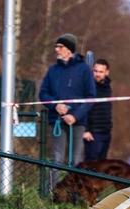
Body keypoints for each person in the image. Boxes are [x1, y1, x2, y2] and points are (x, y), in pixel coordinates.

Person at [39, 33, 95, 197]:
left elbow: (91, 97)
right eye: (56, 46)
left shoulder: (84, 69)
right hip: (56, 120)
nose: (56, 49)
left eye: (60, 47)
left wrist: (75, 116)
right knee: (56, 157)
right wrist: (55, 105)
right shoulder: (52, 70)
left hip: (77, 122)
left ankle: (74, 194)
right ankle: (53, 193)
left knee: (76, 159)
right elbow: (43, 94)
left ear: (69, 49)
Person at [84, 59, 113, 161]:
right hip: (93, 133)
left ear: (107, 72)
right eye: (95, 71)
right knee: (91, 166)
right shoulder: (88, 86)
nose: (97, 74)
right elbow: (83, 108)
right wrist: (86, 130)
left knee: (102, 166)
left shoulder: (107, 87)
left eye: (101, 72)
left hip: (106, 132)